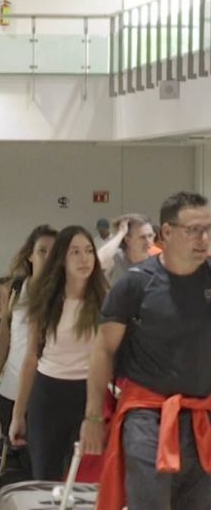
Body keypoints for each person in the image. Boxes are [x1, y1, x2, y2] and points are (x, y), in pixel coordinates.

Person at [81, 192, 211, 510]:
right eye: (193, 230)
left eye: (208, 229)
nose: (203, 238)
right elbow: (102, 352)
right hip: (147, 417)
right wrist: (94, 416)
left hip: (202, 419)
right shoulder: (135, 285)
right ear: (166, 232)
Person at [8, 226, 107, 480]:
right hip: (48, 394)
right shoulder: (45, 299)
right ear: (61, 259)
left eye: (88, 251)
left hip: (90, 394)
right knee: (45, 477)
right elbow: (31, 357)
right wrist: (18, 415)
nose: (84, 259)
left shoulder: (105, 300)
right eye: (75, 252)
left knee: (86, 479)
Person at [0, 224, 57, 435]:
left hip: (50, 393)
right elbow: (4, 338)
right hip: (11, 390)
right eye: (42, 251)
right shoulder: (16, 289)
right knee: (13, 459)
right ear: (30, 255)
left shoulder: (65, 293)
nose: (48, 257)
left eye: (54, 252)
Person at [97, 214, 154, 286]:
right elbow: (97, 261)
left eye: (150, 236)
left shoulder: (155, 265)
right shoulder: (116, 258)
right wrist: (121, 233)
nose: (148, 241)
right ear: (128, 240)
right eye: (142, 237)